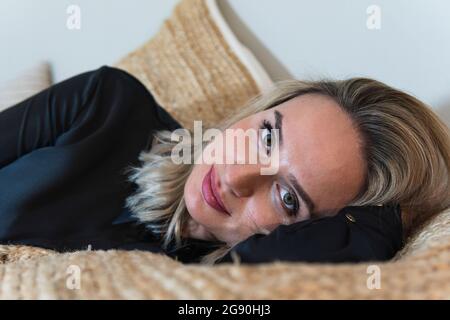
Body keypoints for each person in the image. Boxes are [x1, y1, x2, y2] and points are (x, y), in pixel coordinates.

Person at [0, 66, 449, 264]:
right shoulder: (105, 103)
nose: (236, 175)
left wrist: (386, 213)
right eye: (267, 135)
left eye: (288, 197)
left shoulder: (214, 287)